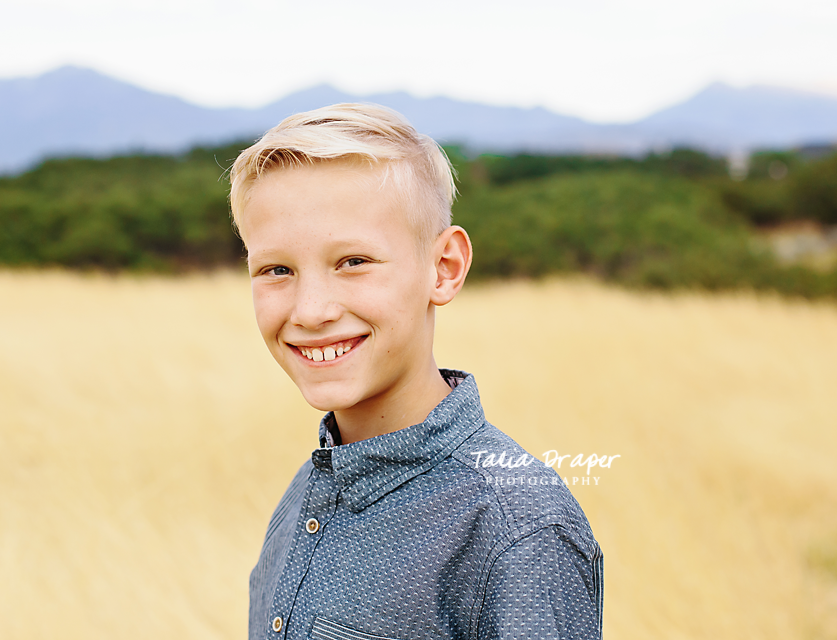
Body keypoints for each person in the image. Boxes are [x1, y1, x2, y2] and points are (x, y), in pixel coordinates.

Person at [229, 103, 603, 640]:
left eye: (353, 262)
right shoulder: (309, 490)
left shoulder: (517, 531)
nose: (310, 311)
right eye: (276, 269)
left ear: (444, 268)